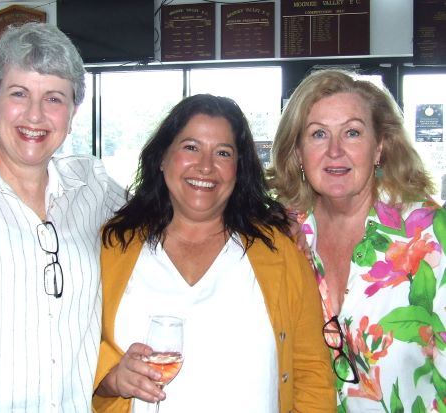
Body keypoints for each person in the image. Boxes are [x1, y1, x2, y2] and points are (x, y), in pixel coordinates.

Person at [92, 94, 336, 412]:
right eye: (191, 147)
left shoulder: (279, 252)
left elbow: (311, 373)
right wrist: (111, 380)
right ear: (163, 158)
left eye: (223, 153)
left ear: (239, 168)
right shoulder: (111, 248)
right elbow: (77, 350)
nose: (206, 166)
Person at [268, 69, 446, 412]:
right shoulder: (278, 237)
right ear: (298, 153)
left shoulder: (430, 235)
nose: (335, 151)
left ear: (380, 147)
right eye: (318, 134)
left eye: (352, 133)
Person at [0, 22, 125, 411]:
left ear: (73, 113)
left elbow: (173, 217)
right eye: (19, 93)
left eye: (54, 98)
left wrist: (280, 223)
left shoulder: (92, 184)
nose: (35, 115)